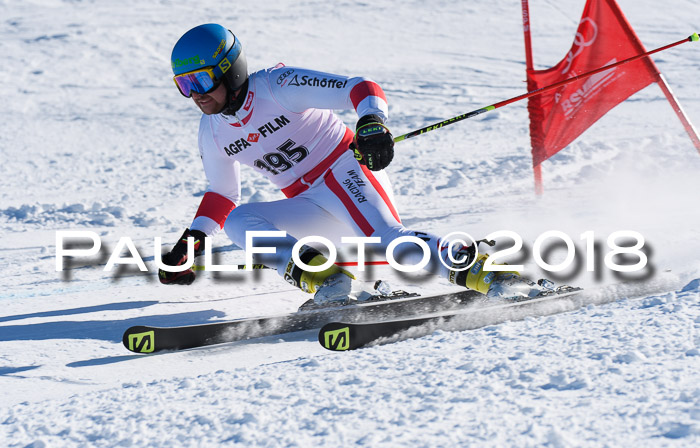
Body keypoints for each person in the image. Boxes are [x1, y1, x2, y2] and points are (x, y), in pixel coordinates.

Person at [158, 23, 529, 303]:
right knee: (240, 222)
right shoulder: (212, 130)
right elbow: (223, 193)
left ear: (230, 70)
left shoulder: (276, 85)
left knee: (385, 240)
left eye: (202, 81)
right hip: (309, 204)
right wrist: (194, 241)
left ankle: (487, 270)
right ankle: (328, 281)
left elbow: (361, 87)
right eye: (184, 86)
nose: (196, 95)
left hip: (344, 172)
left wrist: (372, 122)